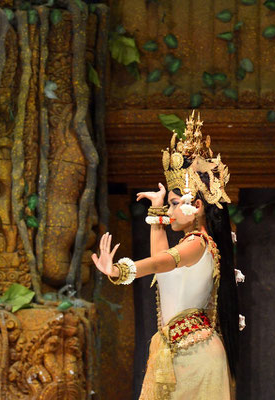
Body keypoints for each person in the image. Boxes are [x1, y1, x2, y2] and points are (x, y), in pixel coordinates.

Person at [92, 111, 244, 399]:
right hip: (180, 350)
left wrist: (121, 270)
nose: (172, 212)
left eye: (176, 204)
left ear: (197, 205)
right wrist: (158, 210)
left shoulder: (198, 244)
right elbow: (162, 261)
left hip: (195, 356)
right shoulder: (189, 244)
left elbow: (162, 261)